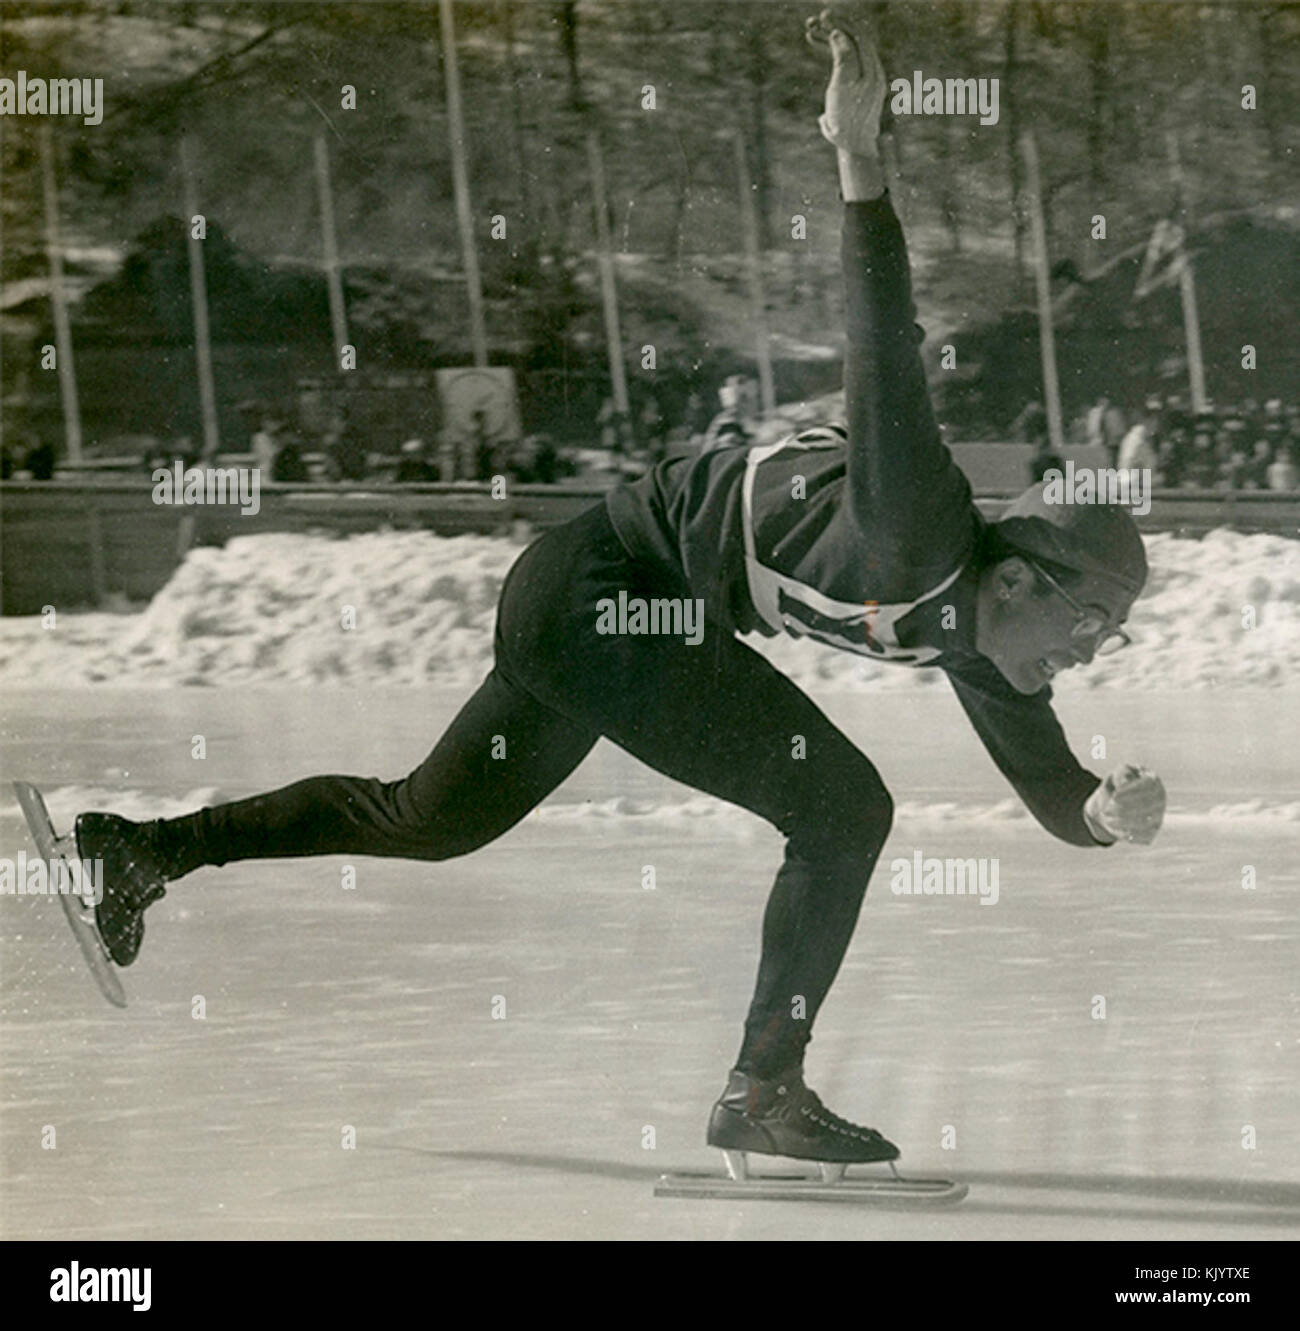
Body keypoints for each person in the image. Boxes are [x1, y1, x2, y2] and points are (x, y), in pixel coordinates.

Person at [65, 15, 1165, 1175]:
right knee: (842, 808)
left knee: (426, 820)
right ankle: (763, 1086)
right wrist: (859, 163)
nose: (1092, 653)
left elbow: (1049, 784)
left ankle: (145, 848)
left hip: (592, 606)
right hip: (603, 592)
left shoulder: (989, 646)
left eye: (1112, 640)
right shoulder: (915, 519)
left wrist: (1100, 812)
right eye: (1092, 624)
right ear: (1018, 573)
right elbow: (880, 341)